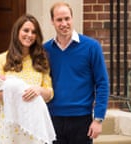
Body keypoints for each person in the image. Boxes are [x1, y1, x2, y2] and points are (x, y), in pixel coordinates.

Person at [43, 2, 110, 144]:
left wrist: (98, 119)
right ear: (52, 22)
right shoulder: (45, 50)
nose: (64, 23)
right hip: (52, 119)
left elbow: (102, 83)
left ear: (72, 19)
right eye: (59, 20)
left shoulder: (91, 47)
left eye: (67, 18)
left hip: (82, 120)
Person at [0, 14, 55, 144]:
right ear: (17, 31)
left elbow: (49, 93)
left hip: (35, 126)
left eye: (33, 32)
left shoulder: (41, 60)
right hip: (11, 126)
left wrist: (39, 90)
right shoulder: (2, 59)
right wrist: (19, 90)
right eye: (26, 30)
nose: (29, 35)